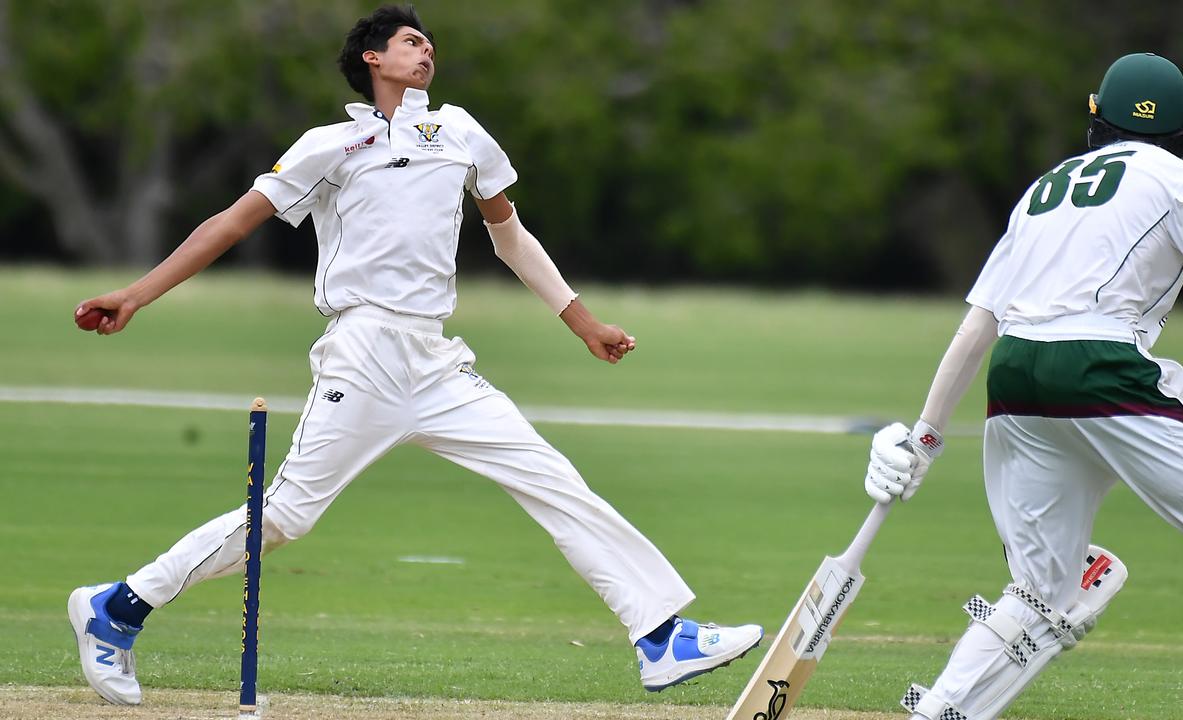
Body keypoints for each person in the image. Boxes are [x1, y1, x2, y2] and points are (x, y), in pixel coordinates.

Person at [67, 5, 762, 706]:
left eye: (429, 42)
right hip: (363, 349)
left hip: (435, 359)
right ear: (372, 58)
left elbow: (510, 235)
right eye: (409, 41)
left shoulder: (459, 131)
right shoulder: (329, 144)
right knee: (285, 517)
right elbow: (230, 223)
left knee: (550, 477)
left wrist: (581, 321)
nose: (426, 50)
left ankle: (661, 636)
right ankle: (120, 606)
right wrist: (137, 293)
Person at [863, 52, 1183, 720]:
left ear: (1096, 114)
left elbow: (978, 328)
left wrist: (926, 437)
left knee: (1039, 591)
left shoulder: (1044, 188)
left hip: (1018, 377)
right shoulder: (1176, 176)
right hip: (1102, 367)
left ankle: (940, 710)